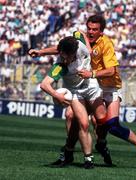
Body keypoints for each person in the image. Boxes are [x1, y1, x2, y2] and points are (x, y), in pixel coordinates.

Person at [52, 14, 136, 169]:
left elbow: (112, 70)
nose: (91, 32)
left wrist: (91, 74)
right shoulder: (82, 41)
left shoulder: (106, 44)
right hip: (93, 87)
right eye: (89, 29)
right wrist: (40, 52)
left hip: (110, 88)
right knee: (72, 116)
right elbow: (64, 49)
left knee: (111, 125)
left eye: (95, 29)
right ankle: (69, 153)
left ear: (101, 31)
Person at [28, 36, 108, 169]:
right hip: (76, 91)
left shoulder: (80, 47)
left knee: (101, 119)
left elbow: (80, 33)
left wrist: (88, 46)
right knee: (82, 123)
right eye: (62, 56)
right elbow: (44, 84)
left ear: (74, 53)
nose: (64, 60)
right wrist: (56, 95)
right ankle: (88, 159)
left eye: (66, 57)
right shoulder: (60, 65)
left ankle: (100, 143)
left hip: (91, 86)